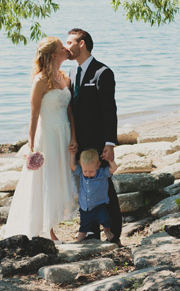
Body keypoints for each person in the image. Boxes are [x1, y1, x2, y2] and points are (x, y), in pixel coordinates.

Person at [0, 37, 78, 241]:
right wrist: (31, 146)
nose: (66, 49)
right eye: (63, 47)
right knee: (45, 180)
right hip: (48, 136)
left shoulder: (65, 78)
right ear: (54, 54)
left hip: (65, 133)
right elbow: (34, 115)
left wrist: (74, 137)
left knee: (60, 178)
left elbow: (70, 111)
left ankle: (52, 225)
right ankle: (46, 230)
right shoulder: (40, 81)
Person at [65, 28, 122, 243]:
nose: (66, 47)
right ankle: (91, 232)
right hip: (78, 142)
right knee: (85, 186)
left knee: (104, 186)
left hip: (98, 142)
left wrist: (109, 143)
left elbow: (109, 110)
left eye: (69, 42)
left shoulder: (102, 72)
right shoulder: (72, 73)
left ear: (82, 44)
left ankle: (114, 234)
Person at [70, 148, 117, 242]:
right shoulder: (81, 173)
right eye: (85, 171)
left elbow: (113, 169)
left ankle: (107, 231)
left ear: (98, 165)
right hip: (85, 208)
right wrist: (72, 154)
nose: (88, 174)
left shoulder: (103, 173)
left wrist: (111, 161)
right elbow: (72, 165)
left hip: (99, 205)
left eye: (91, 171)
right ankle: (78, 242)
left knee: (106, 220)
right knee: (84, 226)